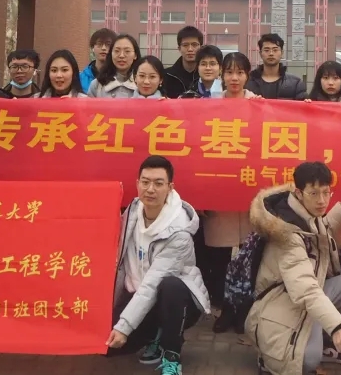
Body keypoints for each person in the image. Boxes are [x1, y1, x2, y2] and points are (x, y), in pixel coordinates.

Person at [246, 161, 341, 375]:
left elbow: (322, 229)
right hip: (281, 302)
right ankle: (267, 360)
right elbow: (305, 288)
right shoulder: (286, 232)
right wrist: (336, 327)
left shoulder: (303, 213)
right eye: (314, 193)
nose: (322, 200)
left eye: (326, 193)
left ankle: (324, 341)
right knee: (307, 360)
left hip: (305, 294)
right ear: (299, 193)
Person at [107, 156, 210, 375]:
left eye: (158, 183)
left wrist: (124, 327)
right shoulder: (132, 212)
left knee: (170, 286)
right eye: (145, 182)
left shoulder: (179, 233)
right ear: (137, 184)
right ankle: (154, 334)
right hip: (137, 294)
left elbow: (152, 284)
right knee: (105, 346)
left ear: (170, 187)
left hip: (176, 302)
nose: (150, 189)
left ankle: (172, 353)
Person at [206, 55, 256, 333]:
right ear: (221, 76)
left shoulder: (260, 106)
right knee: (221, 258)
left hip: (249, 188)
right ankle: (225, 309)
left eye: (239, 73)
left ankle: (244, 310)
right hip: (220, 188)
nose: (234, 78)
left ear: (248, 75)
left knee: (249, 256)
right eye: (229, 73)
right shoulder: (209, 106)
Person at [246, 34, 306, 100]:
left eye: (275, 50)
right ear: (260, 53)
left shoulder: (295, 83)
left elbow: (302, 105)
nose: (271, 53)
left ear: (282, 53)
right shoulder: (248, 81)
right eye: (266, 50)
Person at [92, 34, 141, 98]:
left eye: (127, 51)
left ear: (135, 55)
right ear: (111, 54)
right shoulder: (97, 84)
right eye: (117, 51)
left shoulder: (143, 84)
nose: (121, 55)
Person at [163, 26, 205, 99]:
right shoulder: (167, 76)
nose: (190, 49)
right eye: (185, 45)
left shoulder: (206, 75)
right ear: (179, 48)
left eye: (194, 45)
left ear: (201, 48)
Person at [80, 27, 118, 94]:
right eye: (99, 44)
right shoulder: (80, 78)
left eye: (108, 44)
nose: (103, 48)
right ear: (92, 48)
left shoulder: (120, 76)